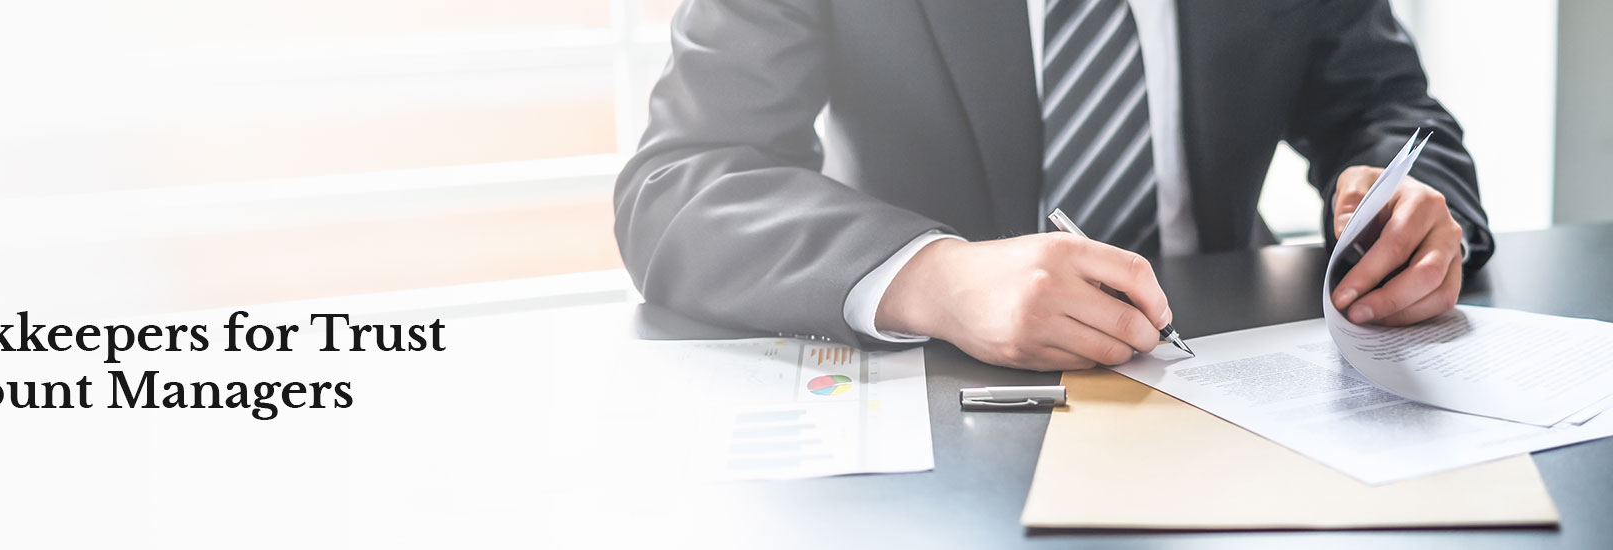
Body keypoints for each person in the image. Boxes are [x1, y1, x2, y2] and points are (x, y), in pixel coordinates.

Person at [614, 0, 1491, 371]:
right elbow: (680, 177)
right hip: (941, 395)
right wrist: (934, 277)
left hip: (1232, 361)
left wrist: (1417, 210)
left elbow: (1386, 103)